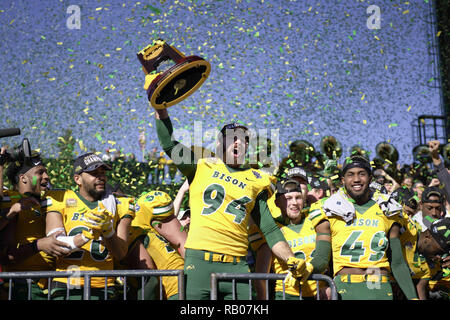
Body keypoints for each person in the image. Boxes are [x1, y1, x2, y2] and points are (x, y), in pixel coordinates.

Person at [151, 103, 307, 300]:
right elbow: (169, 144)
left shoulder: (256, 179)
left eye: (243, 140)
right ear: (219, 144)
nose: (238, 143)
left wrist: (291, 259)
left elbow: (269, 230)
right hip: (199, 264)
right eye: (233, 138)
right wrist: (160, 107)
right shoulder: (200, 167)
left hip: (237, 267)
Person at [308, 155, 418, 300]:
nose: (356, 179)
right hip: (345, 287)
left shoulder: (388, 209)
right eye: (350, 174)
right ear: (342, 180)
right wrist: (305, 268)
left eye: (362, 174)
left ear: (370, 178)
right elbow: (322, 257)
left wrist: (413, 297)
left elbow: (397, 263)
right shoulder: (329, 208)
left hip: (379, 285)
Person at [44, 153, 132, 300]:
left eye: (102, 173)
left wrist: (108, 231)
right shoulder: (61, 199)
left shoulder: (119, 204)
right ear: (77, 179)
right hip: (68, 283)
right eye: (93, 173)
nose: (100, 177)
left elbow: (121, 253)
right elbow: (56, 244)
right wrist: (87, 235)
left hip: (103, 285)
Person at [0, 150, 71, 300]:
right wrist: (11, 212)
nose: (47, 176)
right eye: (40, 172)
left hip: (53, 284)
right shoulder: (10, 200)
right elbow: (6, 255)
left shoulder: (52, 200)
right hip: (22, 286)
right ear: (23, 178)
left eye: (46, 172)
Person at [252, 179, 329, 300]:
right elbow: (261, 276)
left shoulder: (314, 219)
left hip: (318, 294)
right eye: (288, 198)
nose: (294, 203)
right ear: (278, 202)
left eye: (298, 197)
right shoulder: (272, 229)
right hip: (287, 294)